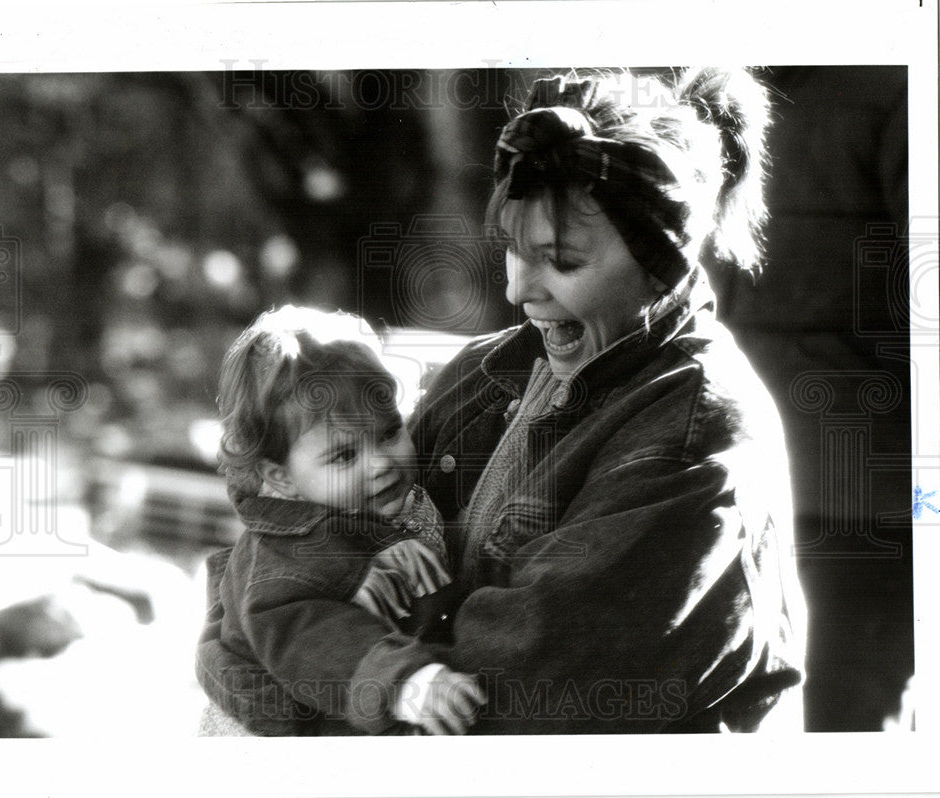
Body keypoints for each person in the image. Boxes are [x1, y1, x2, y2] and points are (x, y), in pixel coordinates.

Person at [199, 66, 808, 734]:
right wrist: (266, 644)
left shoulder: (693, 435)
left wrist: (277, 692)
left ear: (661, 262)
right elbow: (288, 566)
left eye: (564, 261)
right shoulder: (486, 371)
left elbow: (508, 696)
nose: (520, 290)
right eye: (513, 251)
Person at [196, 305, 485, 735]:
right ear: (281, 476)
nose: (381, 464)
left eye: (389, 432)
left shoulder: (375, 507)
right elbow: (311, 637)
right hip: (284, 724)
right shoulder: (289, 552)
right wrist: (404, 681)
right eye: (345, 455)